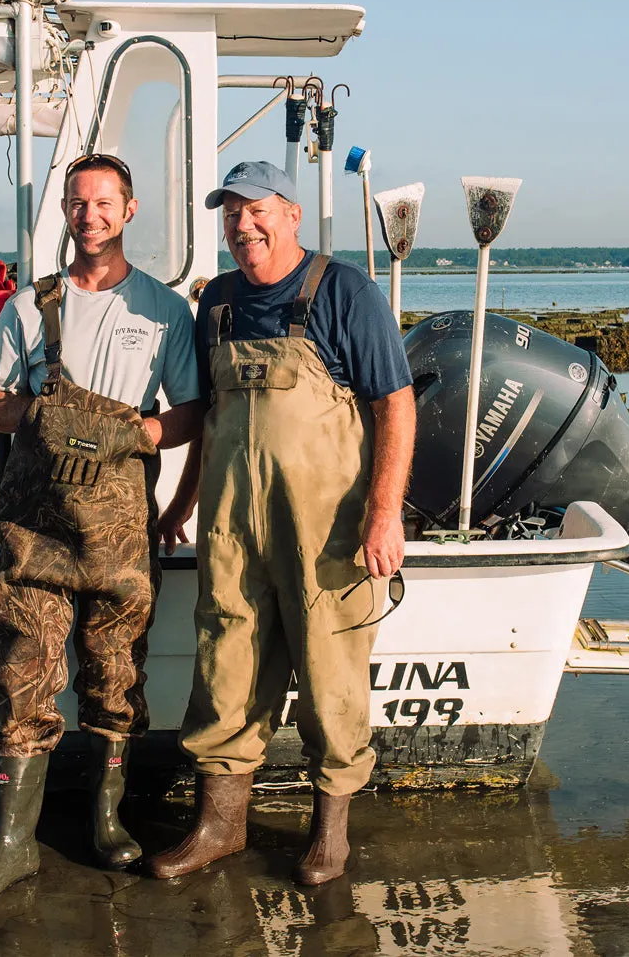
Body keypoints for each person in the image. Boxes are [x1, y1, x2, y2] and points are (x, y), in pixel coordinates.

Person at [146, 160, 415, 885]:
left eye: (257, 209)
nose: (243, 225)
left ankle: (330, 834)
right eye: (231, 213)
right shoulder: (218, 303)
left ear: (292, 214)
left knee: (331, 676)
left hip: (327, 534)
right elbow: (210, 419)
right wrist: (184, 501)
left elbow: (396, 404)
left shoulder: (344, 291)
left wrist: (385, 514)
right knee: (223, 670)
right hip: (233, 531)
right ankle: (220, 825)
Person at [0, 153, 202, 902]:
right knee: (21, 676)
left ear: (129, 212)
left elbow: (191, 410)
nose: (88, 215)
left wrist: (138, 436)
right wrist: (36, 414)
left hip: (123, 538)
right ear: (65, 212)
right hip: (35, 532)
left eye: (103, 203)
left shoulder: (163, 310)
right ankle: (11, 844)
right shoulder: (30, 307)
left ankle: (106, 822)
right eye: (76, 203)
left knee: (115, 675)